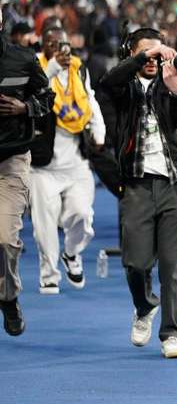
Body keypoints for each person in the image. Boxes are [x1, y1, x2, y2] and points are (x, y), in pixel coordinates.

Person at [100, 27, 177, 359]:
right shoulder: (122, 87)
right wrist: (143, 56)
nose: (156, 59)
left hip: (176, 183)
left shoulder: (176, 80)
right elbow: (106, 82)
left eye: (160, 52)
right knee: (136, 264)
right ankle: (144, 306)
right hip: (138, 185)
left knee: (173, 265)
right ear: (133, 55)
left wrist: (176, 89)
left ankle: (170, 332)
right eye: (147, 54)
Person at [29, 27, 105, 294]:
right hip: (43, 166)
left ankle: (72, 253)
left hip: (76, 162)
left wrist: (99, 132)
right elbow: (32, 94)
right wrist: (49, 68)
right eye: (52, 44)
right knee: (44, 226)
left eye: (63, 43)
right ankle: (49, 274)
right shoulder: (34, 67)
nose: (59, 49)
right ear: (44, 46)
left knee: (82, 215)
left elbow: (90, 101)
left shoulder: (78, 69)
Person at [0, 8, 53, 335]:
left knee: (4, 239)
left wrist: (25, 107)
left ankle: (7, 297)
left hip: (11, 161)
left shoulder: (22, 59)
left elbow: (47, 97)